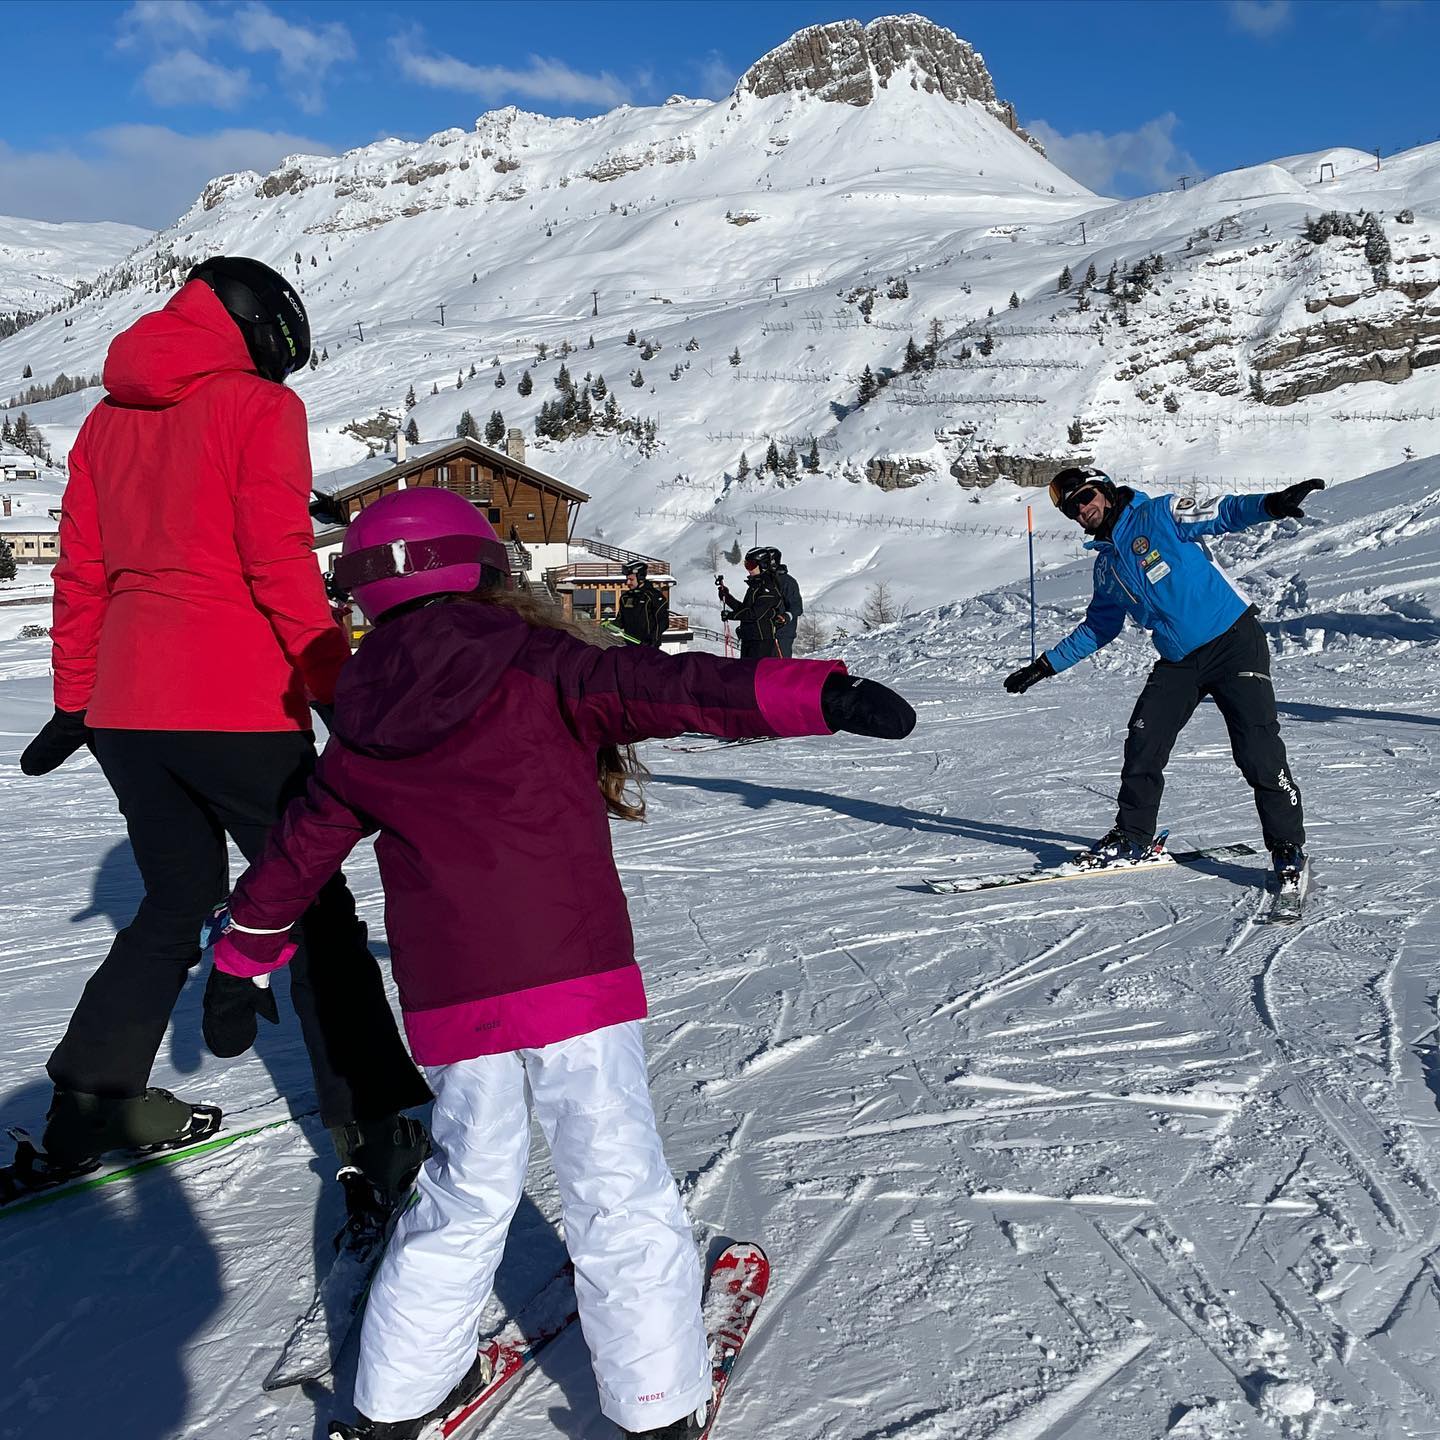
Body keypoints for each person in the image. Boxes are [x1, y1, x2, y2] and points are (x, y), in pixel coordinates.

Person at [202, 488, 916, 1440]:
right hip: (572, 976)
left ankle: (393, 1397)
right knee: (612, 1177)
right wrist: (816, 694)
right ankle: (654, 1404)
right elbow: (677, 688)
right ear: (484, 566)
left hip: (453, 1000)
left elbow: (302, 846)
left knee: (466, 1184)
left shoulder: (363, 715)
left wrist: (241, 956)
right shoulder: (539, 661)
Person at [19, 256, 430, 1208]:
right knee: (309, 900)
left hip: (128, 708)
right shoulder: (260, 408)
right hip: (237, 703)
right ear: (264, 329)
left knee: (174, 901)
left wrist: (78, 698)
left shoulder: (107, 418)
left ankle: (89, 1103)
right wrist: (338, 692)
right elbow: (278, 562)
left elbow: (80, 572)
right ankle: (377, 1122)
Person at [1003, 466, 1322, 889]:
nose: (1081, 510)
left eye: (1085, 498)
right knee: (1144, 740)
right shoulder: (1107, 567)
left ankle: (1287, 848)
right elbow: (1098, 627)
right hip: (1179, 660)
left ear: (1105, 491)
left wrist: (1270, 505)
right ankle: (1133, 838)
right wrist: (1044, 666)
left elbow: (1221, 513)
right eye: (1071, 509)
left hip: (1233, 641)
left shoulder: (1160, 514)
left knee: (1257, 750)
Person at [717, 546, 787, 659]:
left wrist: (731, 615)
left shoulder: (768, 588)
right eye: (746, 565)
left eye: (751, 565)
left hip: (761, 641)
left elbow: (754, 614)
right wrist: (727, 598)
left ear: (763, 565)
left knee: (755, 669)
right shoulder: (756, 585)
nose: (748, 569)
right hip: (749, 638)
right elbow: (745, 609)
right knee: (745, 669)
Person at [616, 559, 669, 647]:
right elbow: (620, 620)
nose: (627, 583)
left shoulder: (653, 596)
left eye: (631, 579)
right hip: (629, 647)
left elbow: (663, 622)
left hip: (649, 648)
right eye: (627, 579)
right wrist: (611, 624)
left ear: (641, 578)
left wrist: (651, 640)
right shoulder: (625, 597)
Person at [774, 550, 804, 658]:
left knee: (780, 665)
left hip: (782, 634)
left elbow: (797, 607)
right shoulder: (764, 581)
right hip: (765, 634)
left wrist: (786, 616)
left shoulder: (787, 582)